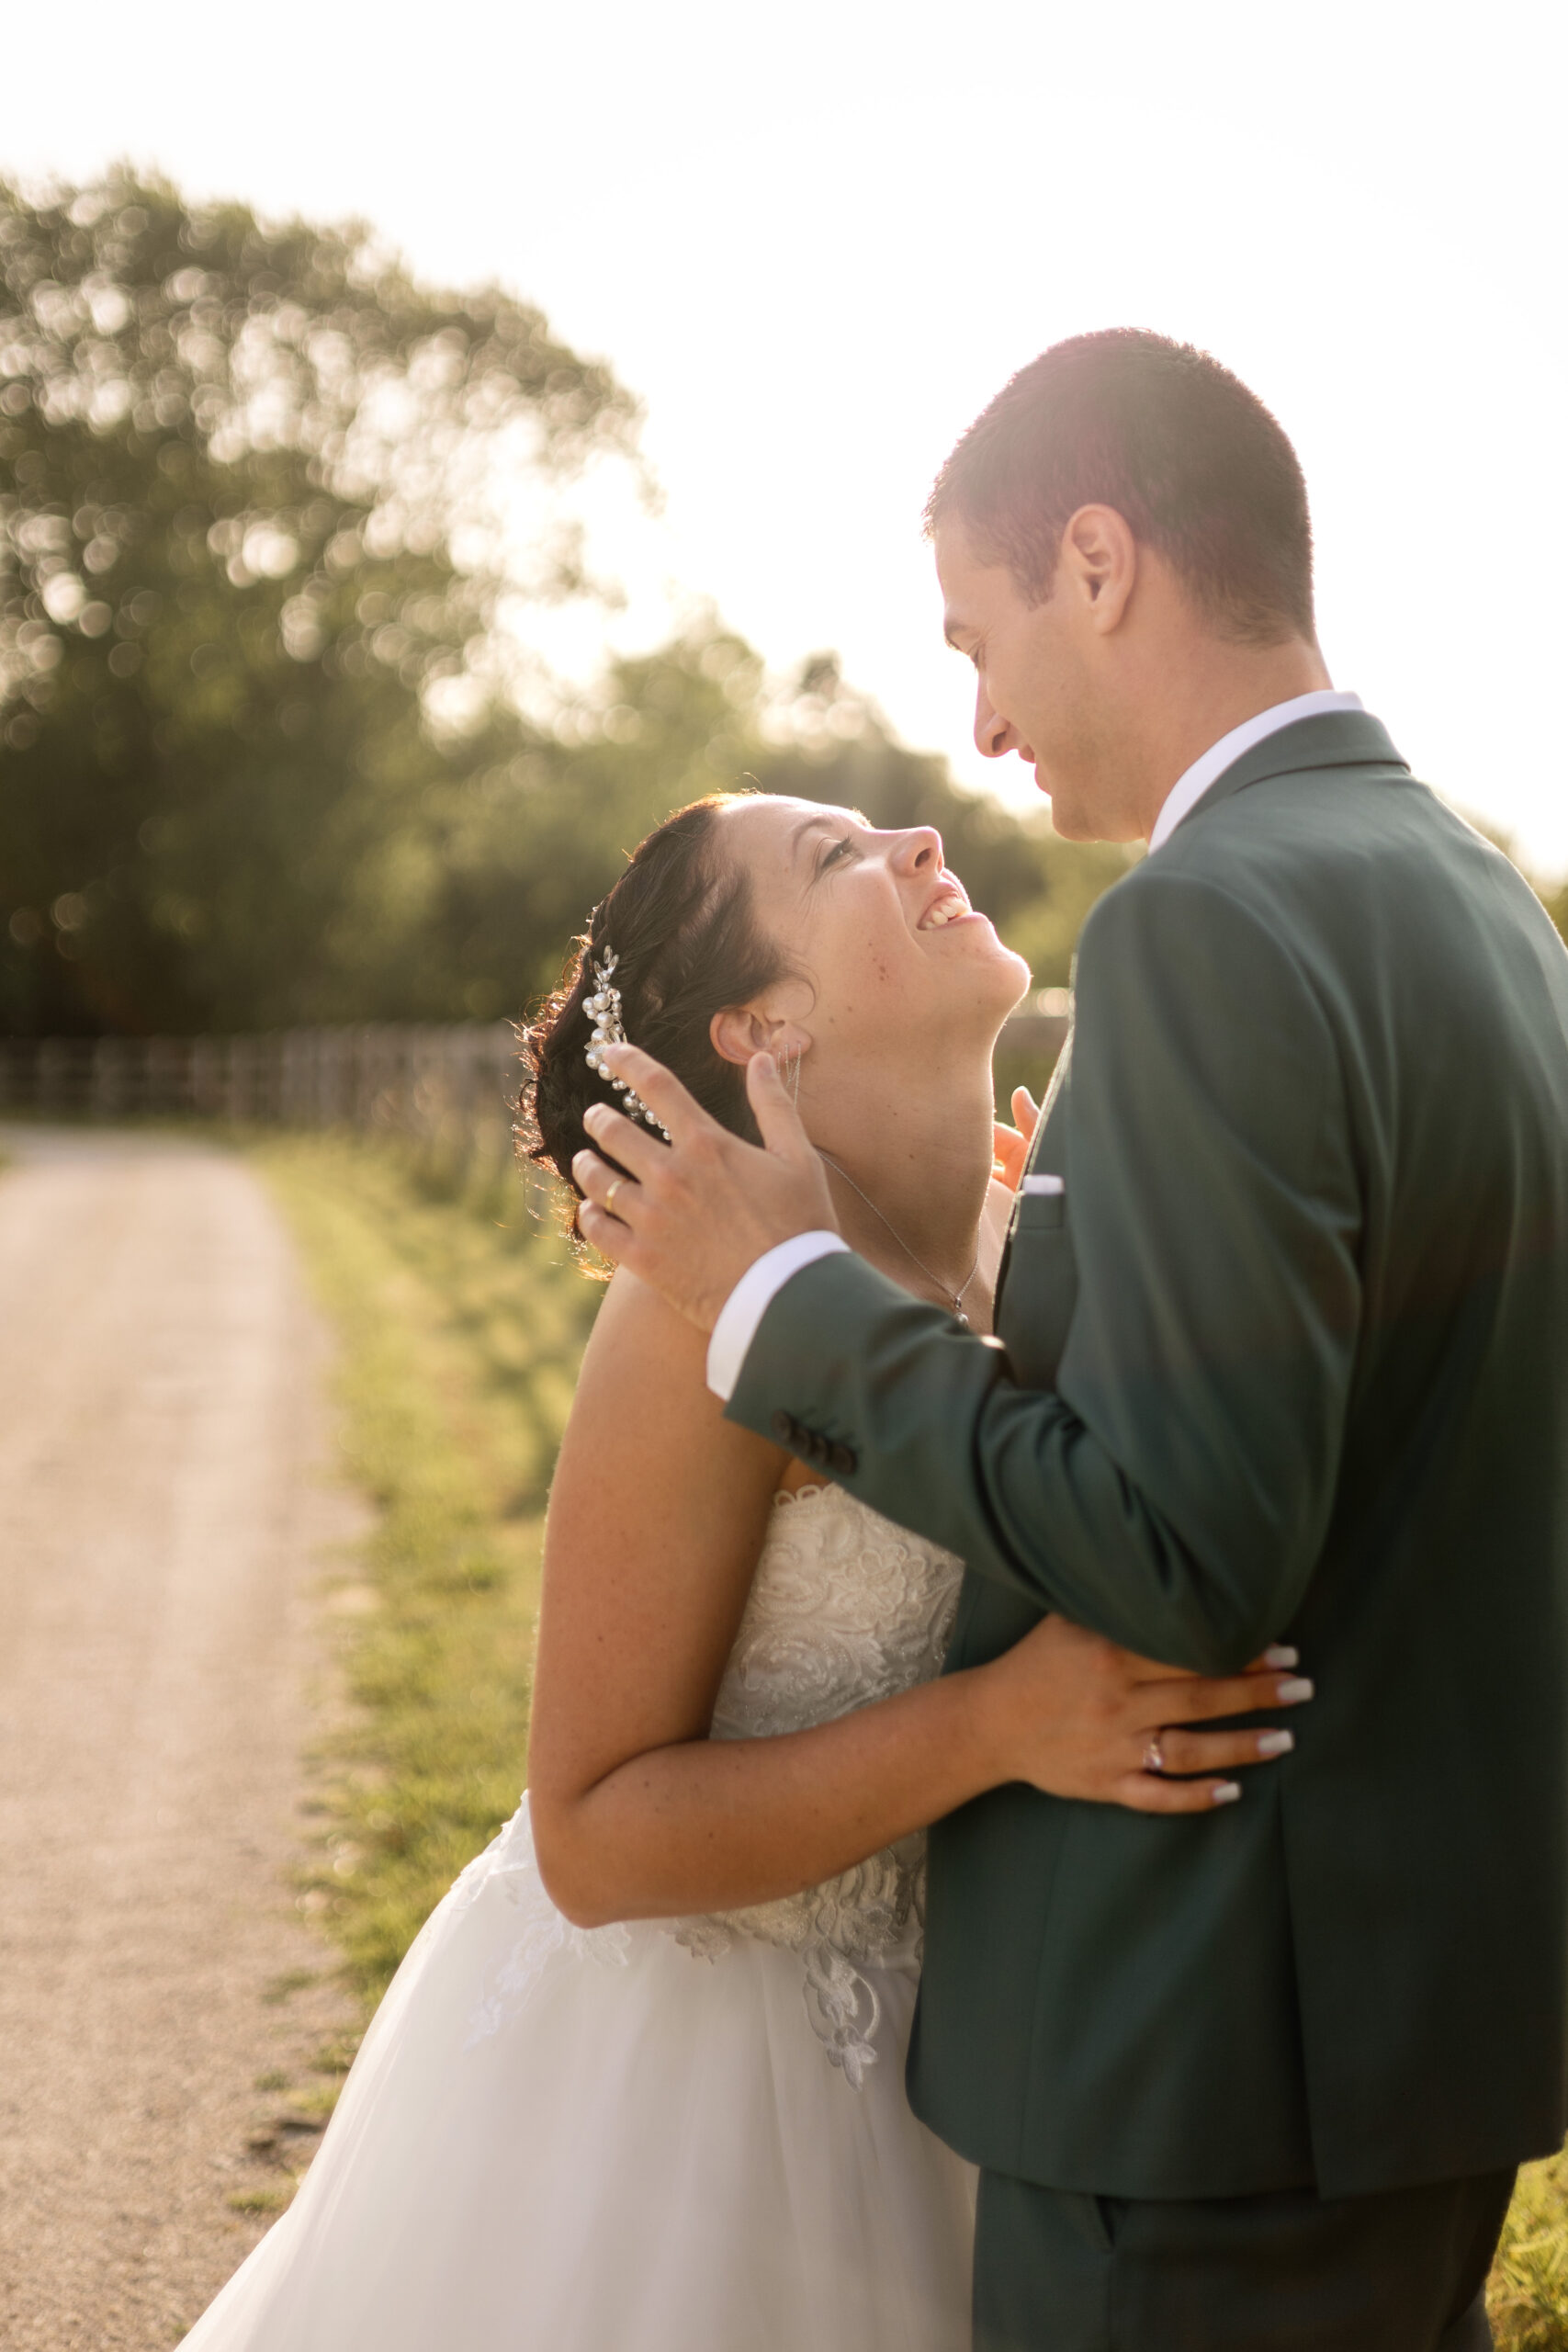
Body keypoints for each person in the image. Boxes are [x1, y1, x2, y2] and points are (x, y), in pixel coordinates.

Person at [573, 331, 1568, 2352]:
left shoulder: (1203, 924)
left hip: (1193, 2059)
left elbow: (1192, 1549)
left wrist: (787, 1306)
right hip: (1405, 2036)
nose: (978, 727)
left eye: (975, 632)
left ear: (1094, 559)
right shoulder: (1477, 903)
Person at [178, 789, 1300, 2351]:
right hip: (698, 2098)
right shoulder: (698, 1316)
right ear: (761, 1031)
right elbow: (592, 1835)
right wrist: (999, 1729)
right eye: (838, 857)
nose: (918, 842)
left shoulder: (1015, 1225)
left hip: (977, 2058)